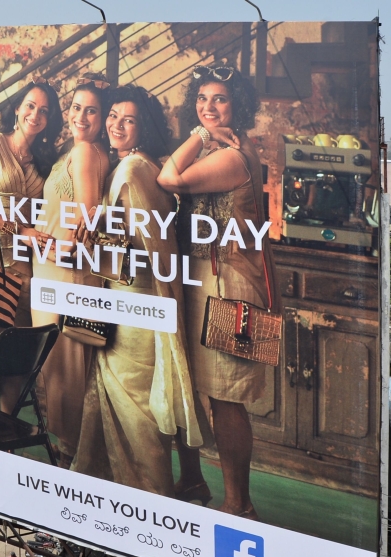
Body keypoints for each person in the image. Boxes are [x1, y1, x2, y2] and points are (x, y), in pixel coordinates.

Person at [157, 65, 279, 519]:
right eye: (202, 99)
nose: (209, 107)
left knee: (228, 399)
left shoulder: (233, 156)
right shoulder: (224, 147)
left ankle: (239, 503)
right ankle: (194, 480)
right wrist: (205, 136)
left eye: (220, 99)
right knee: (199, 389)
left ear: (238, 106)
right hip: (208, 279)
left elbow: (169, 178)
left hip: (232, 286)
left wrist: (194, 134)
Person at [72, 85, 204, 497]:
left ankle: (151, 502)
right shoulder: (141, 164)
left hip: (134, 303)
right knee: (128, 406)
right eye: (112, 115)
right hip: (131, 301)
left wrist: (94, 234)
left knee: (137, 414)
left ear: (143, 126)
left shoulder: (132, 172)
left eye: (128, 119)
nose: (116, 125)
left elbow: (145, 251)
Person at [0, 75, 61, 413]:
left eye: (44, 111)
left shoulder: (45, 158)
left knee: (15, 338)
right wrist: (21, 230)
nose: (36, 114)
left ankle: (6, 418)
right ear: (17, 109)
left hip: (21, 257)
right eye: (30, 106)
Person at [29, 76, 111, 470]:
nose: (80, 116)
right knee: (58, 369)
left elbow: (88, 217)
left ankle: (71, 461)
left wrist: (55, 248)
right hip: (55, 273)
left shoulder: (84, 153)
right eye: (76, 107)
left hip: (65, 275)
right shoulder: (78, 150)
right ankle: (70, 456)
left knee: (65, 371)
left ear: (103, 116)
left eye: (90, 110)